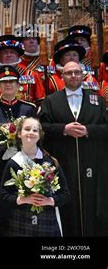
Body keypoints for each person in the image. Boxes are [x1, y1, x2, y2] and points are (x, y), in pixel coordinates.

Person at [39, 61, 108, 236]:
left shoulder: (97, 100)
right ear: (62, 76)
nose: (73, 76)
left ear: (83, 75)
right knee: (67, 199)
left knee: (92, 202)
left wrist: (88, 130)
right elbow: (41, 126)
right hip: (63, 160)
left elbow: (106, 127)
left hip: (92, 161)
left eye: (77, 72)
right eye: (69, 73)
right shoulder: (51, 100)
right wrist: (64, 129)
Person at [0, 65, 37, 234]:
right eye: (4, 82)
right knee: (3, 203)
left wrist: (25, 150)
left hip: (26, 163)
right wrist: (2, 152)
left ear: (19, 85)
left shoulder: (29, 108)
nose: (8, 85)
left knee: (26, 199)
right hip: (2, 165)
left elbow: (37, 134)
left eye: (12, 82)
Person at [0, 117, 71, 236]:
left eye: (35, 130)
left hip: (47, 222)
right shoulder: (13, 163)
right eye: (27, 129)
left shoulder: (50, 162)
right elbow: (3, 195)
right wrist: (23, 199)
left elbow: (65, 194)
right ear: (19, 134)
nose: (31, 133)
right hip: (20, 222)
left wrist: (50, 201)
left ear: (40, 135)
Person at [0, 35, 45, 105]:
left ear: (18, 54)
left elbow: (41, 102)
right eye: (5, 52)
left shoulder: (31, 75)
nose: (9, 55)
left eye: (12, 52)